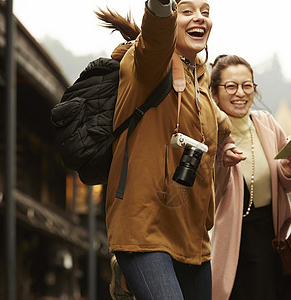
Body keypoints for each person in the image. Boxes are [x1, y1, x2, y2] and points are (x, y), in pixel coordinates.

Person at [98, 1, 232, 299]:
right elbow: (157, 34)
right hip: (145, 228)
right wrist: (161, 6)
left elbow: (217, 122)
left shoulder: (200, 77)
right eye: (187, 11)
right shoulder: (148, 62)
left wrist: (228, 139)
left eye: (206, 12)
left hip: (192, 236)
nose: (200, 18)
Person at [210, 54, 291, 300]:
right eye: (231, 86)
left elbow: (286, 184)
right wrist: (222, 164)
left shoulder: (266, 123)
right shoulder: (210, 134)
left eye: (247, 86)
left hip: (278, 237)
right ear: (215, 93)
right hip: (238, 245)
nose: (240, 93)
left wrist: (288, 170)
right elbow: (208, 194)